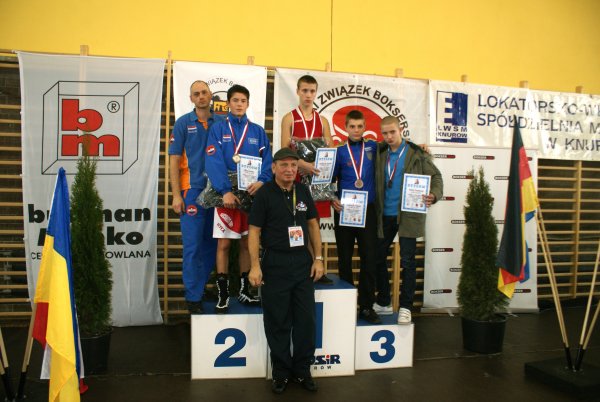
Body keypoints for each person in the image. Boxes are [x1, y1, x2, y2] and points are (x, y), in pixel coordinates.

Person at [248, 147, 323, 394]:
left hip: (302, 263)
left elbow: (313, 226)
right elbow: (254, 232)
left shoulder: (303, 191)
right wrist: (255, 266)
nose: (289, 170)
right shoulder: (264, 194)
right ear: (274, 168)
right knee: (277, 321)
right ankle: (280, 372)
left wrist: (318, 259)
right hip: (274, 263)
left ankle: (302, 370)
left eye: (293, 165)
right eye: (284, 165)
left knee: (306, 321)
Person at [205, 84, 273, 313]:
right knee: (224, 243)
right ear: (228, 103)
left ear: (248, 103)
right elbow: (212, 160)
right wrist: (224, 190)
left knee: (246, 242)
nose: (239, 104)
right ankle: (223, 294)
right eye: (235, 100)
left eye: (243, 101)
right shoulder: (217, 129)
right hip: (226, 195)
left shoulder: (257, 131)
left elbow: (268, 161)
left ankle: (245, 291)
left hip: (250, 194)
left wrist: (262, 181)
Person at [374, 116, 443, 324]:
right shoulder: (378, 152)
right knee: (376, 257)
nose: (388, 137)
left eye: (392, 132)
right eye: (385, 133)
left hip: (408, 216)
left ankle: (406, 307)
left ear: (401, 129)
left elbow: (436, 177)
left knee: (408, 262)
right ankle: (384, 301)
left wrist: (434, 194)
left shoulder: (417, 153)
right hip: (384, 215)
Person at [168, 80, 222, 315]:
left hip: (217, 192)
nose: (201, 96)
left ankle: (200, 287)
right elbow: (172, 160)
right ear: (191, 98)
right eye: (196, 94)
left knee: (212, 244)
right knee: (192, 247)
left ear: (211, 96)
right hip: (192, 192)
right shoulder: (183, 123)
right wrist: (175, 195)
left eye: (204, 92)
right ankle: (193, 296)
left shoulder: (221, 123)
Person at [280, 74, 334, 284]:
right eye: (304, 90)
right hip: (295, 178)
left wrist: (317, 166)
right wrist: (302, 165)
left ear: (316, 92)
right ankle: (299, 266)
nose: (308, 95)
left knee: (314, 223)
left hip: (317, 179)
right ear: (297, 91)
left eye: (312, 91)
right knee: (296, 223)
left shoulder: (323, 121)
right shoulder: (289, 118)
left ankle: (316, 267)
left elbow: (329, 150)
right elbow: (285, 150)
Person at [331, 110, 380, 324]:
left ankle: (367, 307)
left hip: (367, 210)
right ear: (346, 127)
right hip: (344, 210)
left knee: (369, 258)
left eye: (360, 126)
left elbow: (397, 146)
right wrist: (332, 198)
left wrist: (419, 147)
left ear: (365, 127)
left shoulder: (374, 147)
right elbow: (327, 179)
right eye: (352, 126)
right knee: (344, 258)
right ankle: (347, 306)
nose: (356, 130)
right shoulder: (339, 151)